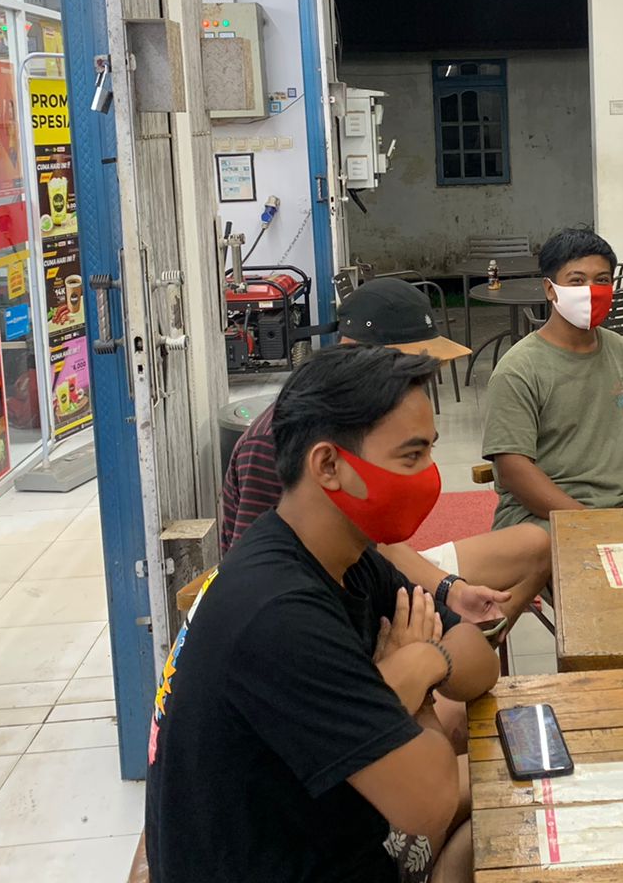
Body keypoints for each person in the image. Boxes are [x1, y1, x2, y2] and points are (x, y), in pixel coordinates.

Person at [145, 345, 501, 883]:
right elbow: (431, 802)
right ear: (329, 465)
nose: (430, 476)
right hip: (293, 860)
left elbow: (479, 660)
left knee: (512, 787)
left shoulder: (342, 554)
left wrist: (421, 662)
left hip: (319, 831)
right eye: (411, 457)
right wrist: (415, 694)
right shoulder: (279, 614)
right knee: (512, 809)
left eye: (431, 452)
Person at [220, 277, 551, 628]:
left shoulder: (376, 426)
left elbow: (375, 544)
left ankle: (480, 634)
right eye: (405, 366)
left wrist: (448, 589)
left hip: (372, 564)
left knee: (536, 545)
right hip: (317, 596)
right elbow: (254, 576)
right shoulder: (272, 442)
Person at [483, 227, 623, 530]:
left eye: (602, 280)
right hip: (541, 516)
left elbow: (603, 428)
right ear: (550, 289)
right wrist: (589, 523)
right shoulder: (518, 369)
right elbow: (512, 471)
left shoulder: (616, 347)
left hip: (618, 505)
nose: (591, 290)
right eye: (577, 280)